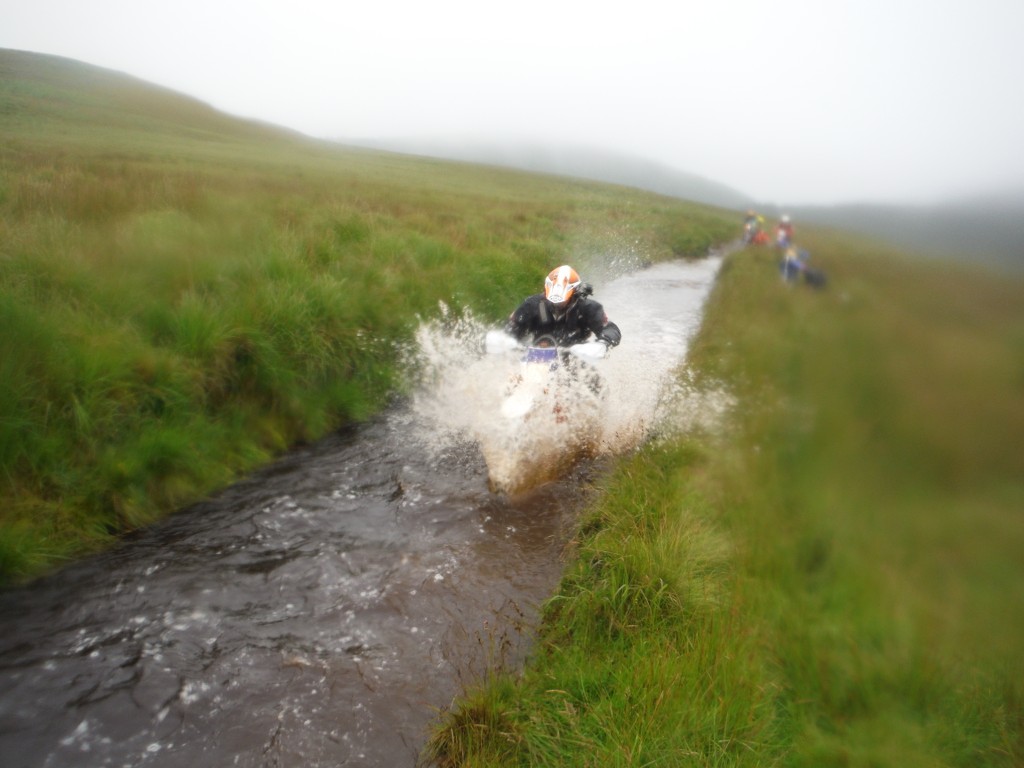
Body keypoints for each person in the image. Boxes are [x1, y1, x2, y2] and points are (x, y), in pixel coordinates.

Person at [505, 264, 622, 348]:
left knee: (593, 381)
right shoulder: (531, 305)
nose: (556, 305)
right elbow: (513, 327)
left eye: (561, 302)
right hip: (536, 357)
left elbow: (610, 329)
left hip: (575, 360)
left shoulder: (588, 309)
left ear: (574, 295)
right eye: (552, 301)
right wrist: (506, 340)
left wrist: (602, 344)